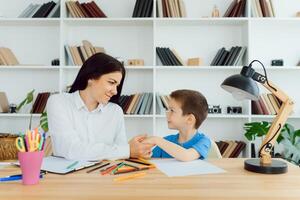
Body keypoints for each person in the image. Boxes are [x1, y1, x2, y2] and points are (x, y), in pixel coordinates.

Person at [47, 53, 153, 160]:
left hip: (105, 175)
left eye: (117, 86)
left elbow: (121, 154)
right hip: (67, 176)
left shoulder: (115, 111)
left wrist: (135, 150)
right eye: (111, 82)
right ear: (91, 78)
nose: (115, 91)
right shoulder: (58, 102)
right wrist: (127, 150)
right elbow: (71, 150)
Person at [142, 89, 211, 161]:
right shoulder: (166, 141)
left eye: (172, 110)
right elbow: (149, 160)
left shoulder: (204, 141)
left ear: (189, 119)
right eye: (167, 110)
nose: (166, 113)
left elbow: (187, 156)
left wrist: (156, 140)